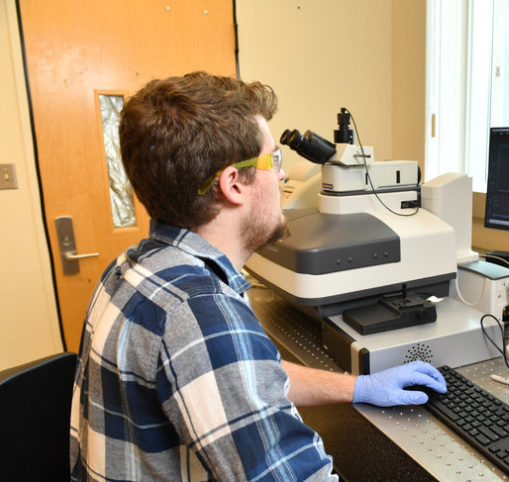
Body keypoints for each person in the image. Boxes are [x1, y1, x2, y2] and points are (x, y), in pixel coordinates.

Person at [69, 71, 447, 481]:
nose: (282, 176)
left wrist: (357, 387)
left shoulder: (132, 268)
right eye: (274, 160)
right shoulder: (198, 315)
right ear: (234, 184)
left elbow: (243, 375)